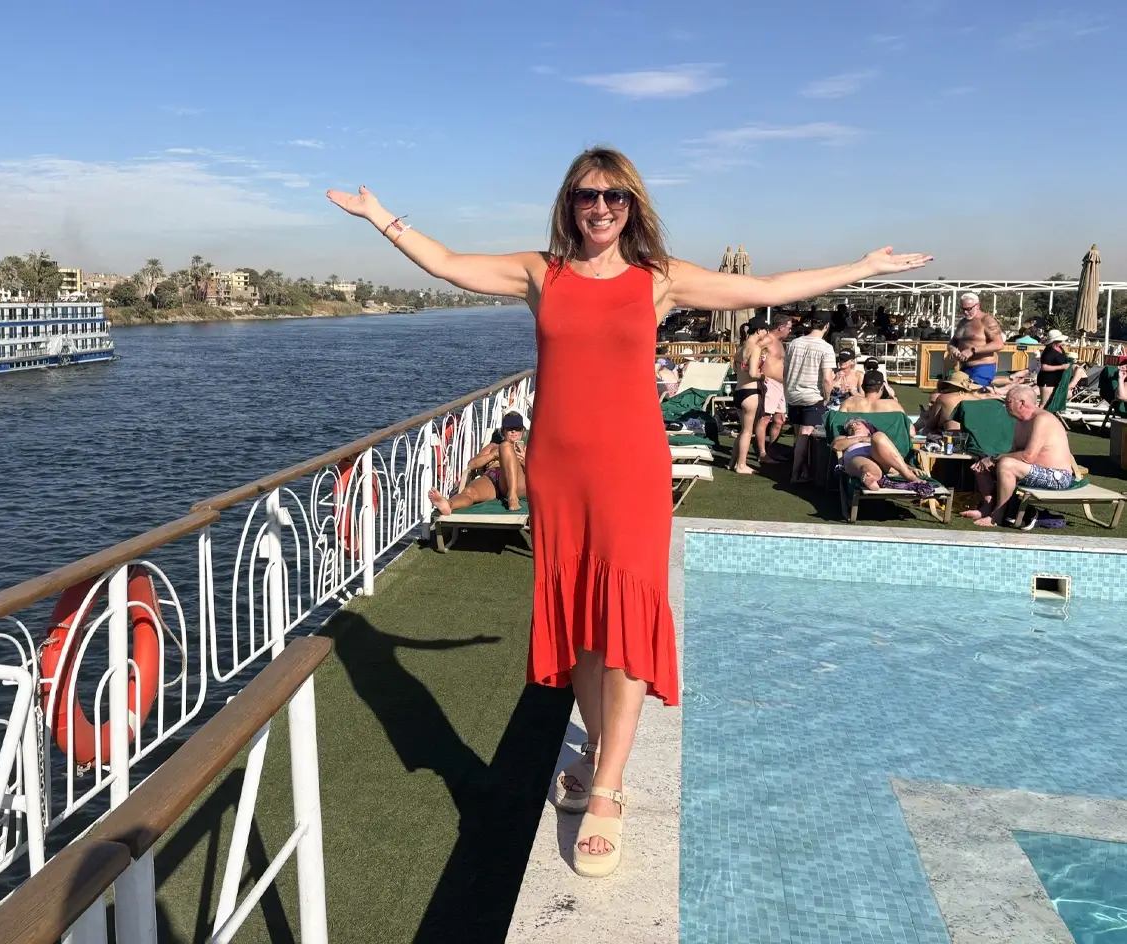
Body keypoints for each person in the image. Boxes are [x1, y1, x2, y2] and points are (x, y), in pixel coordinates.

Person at [326, 146, 929, 877]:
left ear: (633, 206)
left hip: (629, 471)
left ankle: (609, 784)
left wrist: (860, 267)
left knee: (627, 616)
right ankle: (596, 744)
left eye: (616, 197)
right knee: (581, 614)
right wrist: (379, 215)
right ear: (570, 202)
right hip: (559, 472)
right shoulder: (538, 273)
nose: (602, 208)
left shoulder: (658, 280)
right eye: (588, 195)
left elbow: (765, 286)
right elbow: (448, 262)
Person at [962, 385, 1078, 527]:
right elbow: (1014, 452)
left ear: (1022, 403)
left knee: (1006, 465)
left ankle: (997, 515)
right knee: (981, 465)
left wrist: (995, 458)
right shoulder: (1020, 422)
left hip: (1057, 476)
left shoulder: (1042, 419)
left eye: (1008, 402)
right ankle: (987, 508)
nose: (1005, 405)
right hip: (1031, 470)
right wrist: (989, 462)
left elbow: (1028, 456)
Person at [428, 411, 528, 513]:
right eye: (510, 428)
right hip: (493, 478)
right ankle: (449, 505)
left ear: (523, 431)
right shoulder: (493, 447)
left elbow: (541, 473)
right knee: (469, 492)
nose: (514, 431)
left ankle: (512, 497)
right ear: (503, 431)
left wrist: (525, 461)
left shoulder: (527, 449)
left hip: (517, 482)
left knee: (506, 446)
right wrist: (493, 455)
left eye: (517, 429)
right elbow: (471, 465)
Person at [783, 313, 836, 483]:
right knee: (805, 435)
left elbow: (785, 370)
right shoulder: (826, 348)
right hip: (811, 395)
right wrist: (827, 398)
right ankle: (795, 474)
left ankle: (803, 471)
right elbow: (828, 379)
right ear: (826, 326)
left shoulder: (793, 343)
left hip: (792, 393)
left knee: (799, 435)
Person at [831, 418, 927, 492]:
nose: (853, 425)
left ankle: (909, 476)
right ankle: (870, 477)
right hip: (857, 459)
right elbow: (836, 446)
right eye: (850, 426)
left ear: (867, 427)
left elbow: (892, 456)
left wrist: (911, 468)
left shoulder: (874, 437)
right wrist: (859, 439)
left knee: (878, 436)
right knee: (867, 467)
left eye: (857, 423)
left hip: (882, 460)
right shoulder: (844, 437)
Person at [755, 315, 794, 467]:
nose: (789, 331)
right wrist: (758, 371)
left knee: (780, 420)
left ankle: (772, 449)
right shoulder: (767, 339)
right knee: (765, 419)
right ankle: (762, 453)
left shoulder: (779, 342)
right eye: (789, 328)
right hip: (769, 383)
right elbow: (753, 352)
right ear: (781, 327)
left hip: (780, 385)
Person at [730, 323, 768, 473]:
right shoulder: (756, 348)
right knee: (747, 431)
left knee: (742, 430)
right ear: (759, 330)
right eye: (766, 330)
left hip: (738, 391)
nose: (767, 333)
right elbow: (753, 373)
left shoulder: (740, 347)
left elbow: (735, 369)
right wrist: (764, 375)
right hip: (750, 392)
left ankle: (733, 462)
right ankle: (741, 465)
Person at [947, 292, 1006, 388]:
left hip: (983, 367)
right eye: (963, 309)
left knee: (971, 394)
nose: (965, 312)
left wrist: (972, 350)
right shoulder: (962, 322)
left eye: (969, 309)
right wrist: (952, 350)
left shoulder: (987, 320)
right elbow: (953, 342)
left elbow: (999, 344)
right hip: (964, 368)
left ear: (977, 306)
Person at [917, 370, 1001, 433]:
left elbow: (931, 425)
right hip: (976, 437)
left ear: (951, 385)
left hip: (951, 439)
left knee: (929, 431)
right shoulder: (980, 398)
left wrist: (924, 417)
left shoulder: (944, 399)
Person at [839, 370, 908, 418]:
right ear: (882, 388)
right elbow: (911, 432)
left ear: (862, 387)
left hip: (858, 438)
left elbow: (838, 423)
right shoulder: (892, 405)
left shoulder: (849, 402)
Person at [1036, 329, 1073, 404]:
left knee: (1067, 394)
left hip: (1057, 379)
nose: (1062, 341)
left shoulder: (1060, 348)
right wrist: (1062, 367)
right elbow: (1044, 367)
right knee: (1045, 403)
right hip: (1047, 380)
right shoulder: (1049, 351)